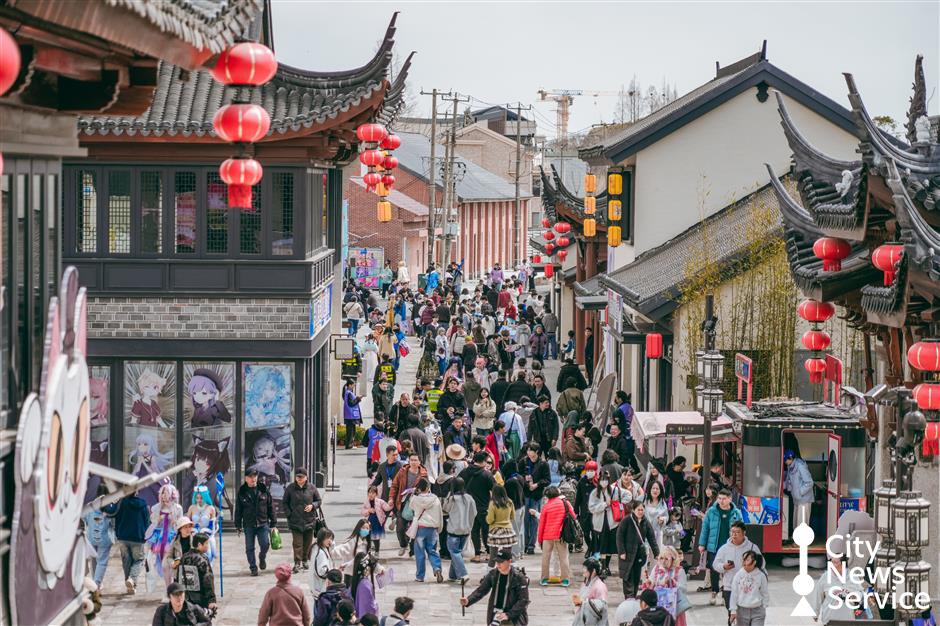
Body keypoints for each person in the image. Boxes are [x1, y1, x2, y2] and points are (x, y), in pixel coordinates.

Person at [461, 548, 530, 626]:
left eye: (501, 562)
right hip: (495, 614)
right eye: (497, 562)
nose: (498, 565)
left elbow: (523, 600)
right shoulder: (493, 574)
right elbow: (481, 590)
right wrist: (468, 600)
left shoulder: (519, 578)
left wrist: (508, 615)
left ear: (509, 561)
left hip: (512, 617)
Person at [698, 489, 743, 606]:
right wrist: (702, 544)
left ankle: (725, 594)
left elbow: (742, 529)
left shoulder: (736, 513)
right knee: (714, 569)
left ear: (730, 499)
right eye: (719, 498)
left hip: (730, 546)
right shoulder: (711, 512)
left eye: (724, 499)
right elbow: (705, 529)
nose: (721, 501)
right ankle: (714, 590)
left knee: (728, 570)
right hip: (714, 545)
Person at [713, 521, 762, 617]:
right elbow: (715, 564)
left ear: (744, 533)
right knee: (732, 613)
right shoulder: (724, 548)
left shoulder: (752, 547)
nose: (734, 535)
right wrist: (724, 566)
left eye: (737, 532)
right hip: (729, 586)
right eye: (732, 532)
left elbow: (761, 564)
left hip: (748, 587)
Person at [235, 468, 276, 576]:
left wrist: (273, 522)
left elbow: (270, 506)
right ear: (246, 479)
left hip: (262, 523)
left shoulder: (263, 489)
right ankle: (253, 567)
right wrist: (238, 525)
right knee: (249, 547)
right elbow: (238, 510)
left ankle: (262, 557)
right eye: (250, 477)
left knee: (265, 544)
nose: (253, 479)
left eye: (254, 476)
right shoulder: (242, 491)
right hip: (249, 525)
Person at [388, 453, 428, 557]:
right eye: (412, 460)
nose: (414, 462)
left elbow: (427, 489)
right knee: (400, 527)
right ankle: (403, 544)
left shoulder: (423, 474)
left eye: (416, 460)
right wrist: (391, 498)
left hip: (417, 504)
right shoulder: (402, 472)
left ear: (419, 462)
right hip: (402, 503)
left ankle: (413, 548)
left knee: (415, 528)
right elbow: (394, 485)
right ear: (409, 461)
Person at [617, 502, 659, 598]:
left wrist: (657, 553)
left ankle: (633, 595)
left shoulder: (645, 522)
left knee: (636, 576)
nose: (640, 512)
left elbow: (651, 538)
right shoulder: (626, 521)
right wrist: (622, 551)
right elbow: (619, 537)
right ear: (633, 510)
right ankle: (628, 597)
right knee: (627, 575)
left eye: (642, 510)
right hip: (627, 553)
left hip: (639, 554)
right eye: (638, 510)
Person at [459, 451, 495, 562]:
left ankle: (477, 554)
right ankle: (489, 553)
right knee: (486, 530)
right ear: (484, 462)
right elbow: (495, 489)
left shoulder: (465, 472)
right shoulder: (487, 474)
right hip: (484, 507)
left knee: (474, 530)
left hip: (469, 507)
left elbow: (457, 484)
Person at [283, 468, 322, 573]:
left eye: (302, 477)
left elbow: (319, 500)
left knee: (308, 543)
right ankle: (297, 562)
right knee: (297, 543)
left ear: (306, 477)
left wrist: (312, 506)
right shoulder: (290, 488)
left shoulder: (311, 488)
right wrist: (289, 514)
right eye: (298, 477)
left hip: (309, 520)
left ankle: (305, 560)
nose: (299, 479)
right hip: (295, 521)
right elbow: (285, 502)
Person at [408, 478, 444, 583]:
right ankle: (437, 569)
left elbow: (411, 507)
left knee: (419, 553)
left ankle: (420, 576)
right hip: (432, 528)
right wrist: (439, 528)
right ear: (428, 488)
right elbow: (439, 514)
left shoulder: (415, 499)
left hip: (420, 528)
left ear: (418, 488)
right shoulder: (435, 499)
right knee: (432, 550)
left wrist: (415, 494)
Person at [114, 490, 150, 594]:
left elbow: (117, 518)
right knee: (139, 560)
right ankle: (132, 579)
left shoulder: (121, 503)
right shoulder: (143, 504)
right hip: (138, 537)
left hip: (123, 536)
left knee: (126, 561)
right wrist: (145, 535)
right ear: (136, 492)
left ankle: (131, 585)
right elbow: (146, 521)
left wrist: (118, 532)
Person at [536, 485, 573, 586]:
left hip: (547, 536)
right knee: (563, 557)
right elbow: (573, 516)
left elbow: (541, 525)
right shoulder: (566, 503)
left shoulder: (546, 506)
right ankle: (565, 579)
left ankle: (544, 579)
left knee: (545, 557)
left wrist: (539, 540)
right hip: (561, 535)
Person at [442, 477, 476, 582]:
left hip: (454, 530)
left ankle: (463, 574)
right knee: (457, 553)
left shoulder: (452, 498)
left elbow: (445, 509)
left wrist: (448, 495)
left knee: (455, 552)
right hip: (466, 530)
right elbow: (474, 513)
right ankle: (453, 576)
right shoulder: (469, 498)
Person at [645, 547, 690, 626]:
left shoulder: (679, 570)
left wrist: (674, 583)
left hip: (674, 608)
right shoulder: (656, 568)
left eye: (666, 559)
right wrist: (649, 583)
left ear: (673, 559)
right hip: (658, 606)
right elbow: (651, 583)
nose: (663, 561)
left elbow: (684, 589)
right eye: (661, 558)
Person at [519, 443, 551, 555]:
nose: (528, 452)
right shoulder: (523, 461)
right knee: (525, 519)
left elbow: (547, 480)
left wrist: (537, 484)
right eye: (528, 450)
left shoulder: (543, 464)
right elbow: (519, 475)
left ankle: (531, 545)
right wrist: (525, 480)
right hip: (526, 493)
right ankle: (525, 544)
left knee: (534, 520)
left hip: (537, 495)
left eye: (531, 450)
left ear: (537, 452)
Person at [257, 561, 312, 626]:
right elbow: (306, 615)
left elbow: (263, 615)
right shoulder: (299, 591)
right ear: (290, 574)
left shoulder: (271, 593)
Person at [588, 470, 621, 576]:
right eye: (602, 480)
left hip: (611, 521)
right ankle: (602, 566)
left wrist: (616, 504)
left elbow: (626, 496)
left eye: (606, 480)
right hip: (600, 522)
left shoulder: (614, 491)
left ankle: (607, 566)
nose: (604, 482)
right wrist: (604, 505)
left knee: (610, 544)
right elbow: (591, 508)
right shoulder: (594, 493)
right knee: (602, 544)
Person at [83, 489, 115, 588]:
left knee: (93, 560)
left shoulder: (90, 506)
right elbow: (113, 524)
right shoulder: (109, 509)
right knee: (102, 561)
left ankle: (95, 582)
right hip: (104, 539)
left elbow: (84, 519)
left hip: (91, 537)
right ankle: (97, 583)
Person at [728, 550, 769, 626]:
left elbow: (764, 592)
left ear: (754, 562)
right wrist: (733, 610)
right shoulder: (738, 575)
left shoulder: (761, 575)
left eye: (747, 560)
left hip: (758, 610)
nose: (744, 562)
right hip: (742, 610)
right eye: (743, 559)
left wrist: (764, 606)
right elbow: (734, 593)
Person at [178, 533, 216, 611]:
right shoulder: (202, 559)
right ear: (199, 544)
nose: (207, 546)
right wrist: (211, 600)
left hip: (185, 596)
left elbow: (178, 577)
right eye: (206, 543)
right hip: (200, 597)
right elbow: (207, 579)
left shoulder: (184, 557)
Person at [783, 449, 814, 535]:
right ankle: (796, 540)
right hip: (797, 499)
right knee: (796, 522)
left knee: (802, 522)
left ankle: (801, 543)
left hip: (804, 500)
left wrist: (799, 492)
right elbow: (788, 481)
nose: (785, 462)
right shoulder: (791, 467)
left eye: (786, 460)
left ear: (790, 458)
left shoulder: (800, 466)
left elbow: (809, 482)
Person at [485, 484, 517, 567]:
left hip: (495, 532)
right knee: (507, 556)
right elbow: (513, 516)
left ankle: (490, 575)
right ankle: (508, 572)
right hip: (508, 531)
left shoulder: (493, 503)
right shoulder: (509, 502)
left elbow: (490, 520)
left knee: (493, 557)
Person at [572, 557, 609, 626]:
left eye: (585, 568)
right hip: (585, 617)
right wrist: (577, 601)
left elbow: (601, 605)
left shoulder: (600, 586)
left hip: (595, 621)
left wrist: (582, 602)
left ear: (594, 571)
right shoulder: (586, 582)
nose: (583, 570)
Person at [162, 516, 196, 585]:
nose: (188, 529)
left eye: (189, 527)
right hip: (178, 572)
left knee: (189, 593)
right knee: (179, 593)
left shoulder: (195, 540)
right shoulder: (174, 541)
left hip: (191, 570)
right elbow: (169, 556)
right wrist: (173, 563)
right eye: (185, 527)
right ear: (180, 529)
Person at [361, 485, 392, 555]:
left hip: (377, 522)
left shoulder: (380, 501)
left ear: (376, 494)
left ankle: (377, 551)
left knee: (376, 538)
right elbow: (362, 511)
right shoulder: (366, 502)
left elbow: (386, 508)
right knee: (368, 537)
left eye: (373, 493)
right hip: (368, 523)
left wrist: (391, 504)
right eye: (369, 493)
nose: (371, 495)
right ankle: (368, 551)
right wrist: (368, 510)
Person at [310, 528, 335, 610]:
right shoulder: (320, 553)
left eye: (331, 538)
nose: (330, 541)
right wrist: (333, 573)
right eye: (328, 538)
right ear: (322, 538)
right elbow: (321, 572)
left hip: (317, 587)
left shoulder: (318, 548)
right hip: (320, 587)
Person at [350, 552, 380, 621]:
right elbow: (370, 608)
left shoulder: (355, 580)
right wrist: (376, 604)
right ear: (367, 568)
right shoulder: (365, 585)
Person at [644, 482, 670, 550]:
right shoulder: (643, 499)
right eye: (653, 488)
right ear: (650, 489)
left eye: (657, 489)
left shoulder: (662, 503)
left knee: (656, 556)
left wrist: (662, 520)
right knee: (645, 555)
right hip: (644, 533)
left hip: (657, 533)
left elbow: (666, 516)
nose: (655, 490)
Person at [342, 380, 364, 450]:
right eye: (353, 385)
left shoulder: (347, 392)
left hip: (349, 415)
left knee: (351, 430)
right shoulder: (349, 393)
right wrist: (358, 399)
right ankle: (349, 445)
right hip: (351, 415)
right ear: (349, 385)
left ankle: (350, 444)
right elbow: (351, 403)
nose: (354, 386)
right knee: (351, 431)